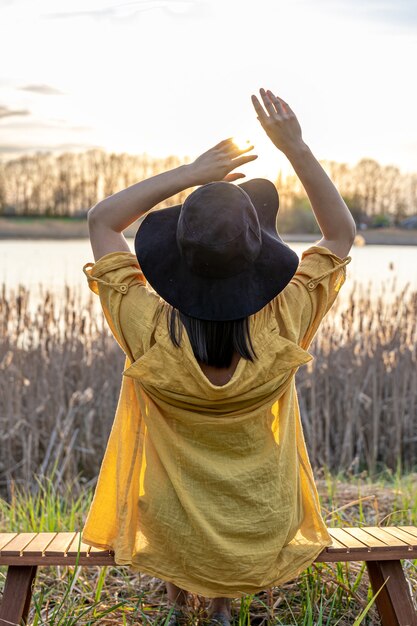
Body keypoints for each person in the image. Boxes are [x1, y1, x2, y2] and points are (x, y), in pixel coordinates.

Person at [82, 88, 356, 626]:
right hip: (265, 526)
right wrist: (295, 147)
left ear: (179, 256)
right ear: (257, 253)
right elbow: (341, 235)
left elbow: (101, 221)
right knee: (233, 509)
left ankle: (188, 596)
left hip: (171, 532)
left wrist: (192, 172)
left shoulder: (150, 331)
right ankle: (225, 603)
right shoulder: (285, 322)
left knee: (175, 508)